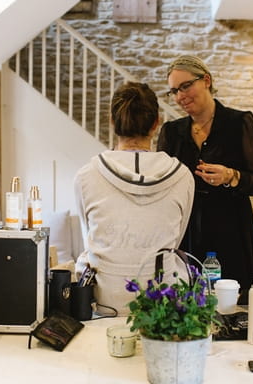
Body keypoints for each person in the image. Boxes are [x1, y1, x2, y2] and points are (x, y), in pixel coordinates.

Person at [74, 81, 195, 315]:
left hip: (103, 302)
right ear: (156, 124)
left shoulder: (85, 176)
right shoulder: (182, 177)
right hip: (162, 303)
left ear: (112, 122)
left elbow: (89, 237)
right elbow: (176, 239)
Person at [157, 55, 253, 294]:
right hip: (187, 234)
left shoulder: (240, 123)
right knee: (187, 304)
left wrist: (231, 176)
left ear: (206, 80)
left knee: (237, 306)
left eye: (185, 86)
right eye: (174, 91)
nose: (180, 97)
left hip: (232, 232)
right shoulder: (171, 132)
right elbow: (162, 186)